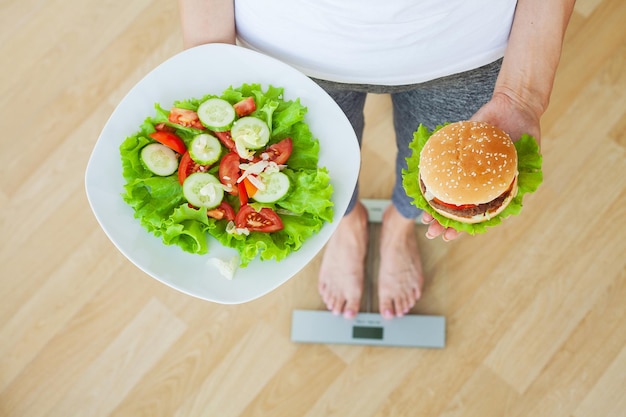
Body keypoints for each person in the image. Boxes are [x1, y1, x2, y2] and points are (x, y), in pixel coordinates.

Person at [179, 0, 576, 319]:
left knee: (440, 185)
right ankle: (345, 224)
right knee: (310, 178)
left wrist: (521, 97)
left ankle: (401, 224)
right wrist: (211, 67)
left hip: (470, 50)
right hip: (288, 53)